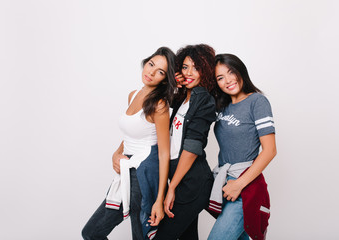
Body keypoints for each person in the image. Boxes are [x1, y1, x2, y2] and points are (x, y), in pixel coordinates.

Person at [82, 47, 176, 240]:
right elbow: (131, 135)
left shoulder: (159, 104)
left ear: (165, 79)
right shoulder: (133, 95)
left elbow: (164, 153)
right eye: (151, 64)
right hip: (126, 168)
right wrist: (116, 154)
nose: (150, 72)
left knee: (139, 235)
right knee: (92, 232)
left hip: (145, 172)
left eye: (160, 72)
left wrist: (159, 199)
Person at [207, 54, 277, 240]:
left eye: (231, 72)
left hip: (244, 186)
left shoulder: (257, 102)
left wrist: (238, 184)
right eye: (220, 78)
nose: (228, 80)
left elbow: (270, 151)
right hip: (225, 185)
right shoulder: (222, 106)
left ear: (240, 71)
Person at [154, 44, 216, 240]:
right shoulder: (180, 98)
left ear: (205, 71)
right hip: (179, 178)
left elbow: (192, 148)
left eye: (196, 68)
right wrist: (171, 84)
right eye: (185, 67)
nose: (189, 73)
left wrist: (171, 188)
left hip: (193, 183)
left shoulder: (203, 99)